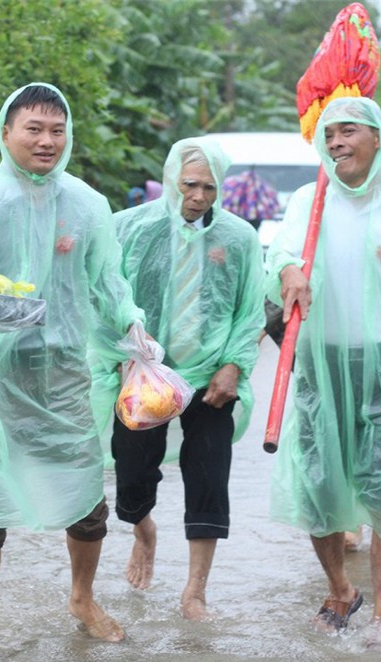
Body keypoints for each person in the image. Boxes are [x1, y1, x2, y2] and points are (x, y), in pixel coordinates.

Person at [0, 83, 145, 662]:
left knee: (87, 502)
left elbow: (107, 283)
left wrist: (133, 328)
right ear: (6, 132)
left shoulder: (88, 205)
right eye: (34, 129)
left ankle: (82, 599)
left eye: (57, 130)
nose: (47, 140)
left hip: (68, 376)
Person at [265, 97, 381, 642]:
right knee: (319, 490)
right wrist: (291, 269)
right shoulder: (308, 200)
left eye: (348, 132)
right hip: (322, 363)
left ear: (376, 141)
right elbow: (278, 256)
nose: (337, 142)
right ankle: (342, 588)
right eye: (330, 134)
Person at [107, 136, 265, 620]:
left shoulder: (238, 238)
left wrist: (234, 364)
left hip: (210, 377)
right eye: (190, 185)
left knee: (209, 478)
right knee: (132, 473)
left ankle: (195, 590)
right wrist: (122, 350)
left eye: (210, 189)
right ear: (173, 179)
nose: (198, 197)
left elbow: (249, 310)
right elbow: (105, 292)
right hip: (146, 374)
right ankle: (143, 529)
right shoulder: (130, 228)